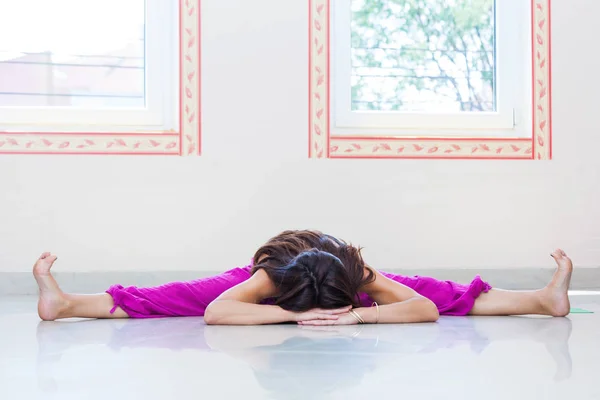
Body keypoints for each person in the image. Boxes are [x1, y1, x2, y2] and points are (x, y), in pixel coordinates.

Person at [32, 230, 574, 325]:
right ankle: (67, 303)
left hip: (342, 279)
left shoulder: (362, 276)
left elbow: (430, 308)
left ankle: (542, 299)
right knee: (182, 298)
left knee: (444, 293)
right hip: (284, 277)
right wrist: (300, 312)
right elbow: (218, 311)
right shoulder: (262, 278)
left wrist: (361, 311)